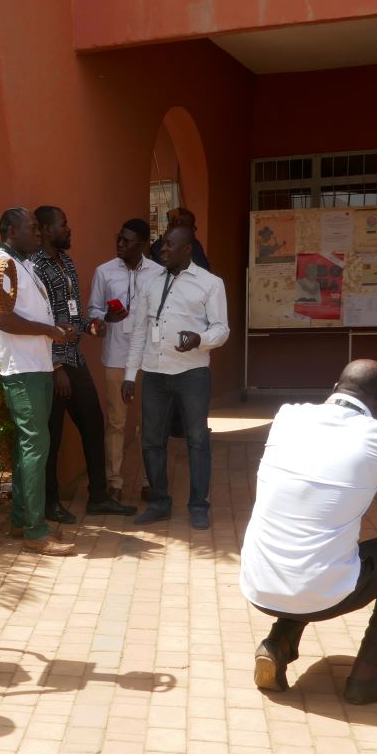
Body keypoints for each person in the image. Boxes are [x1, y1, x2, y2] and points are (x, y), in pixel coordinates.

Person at [241, 360, 377, 705]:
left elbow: (340, 445)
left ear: (335, 387)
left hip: (259, 584)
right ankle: (369, 676)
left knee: (311, 539)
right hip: (321, 591)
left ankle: (278, 644)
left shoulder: (288, 417)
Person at [31, 207, 137, 521]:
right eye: (64, 224)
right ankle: (50, 504)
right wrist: (57, 368)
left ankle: (99, 497)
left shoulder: (67, 262)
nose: (69, 229)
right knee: (52, 436)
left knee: (93, 425)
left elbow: (73, 315)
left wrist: (94, 324)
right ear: (48, 230)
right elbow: (41, 320)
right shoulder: (35, 267)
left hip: (75, 359)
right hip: (53, 366)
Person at [122, 223, 229, 529]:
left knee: (197, 441)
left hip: (192, 373)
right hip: (155, 373)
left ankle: (198, 505)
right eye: (161, 245)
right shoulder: (152, 282)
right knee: (152, 442)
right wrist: (131, 374)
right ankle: (159, 503)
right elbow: (141, 329)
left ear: (187, 249)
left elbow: (222, 329)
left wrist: (200, 339)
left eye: (169, 245)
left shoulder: (210, 283)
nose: (162, 250)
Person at [0, 207, 76, 556]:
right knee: (35, 445)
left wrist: (54, 333)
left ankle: (21, 519)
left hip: (36, 365)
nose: (38, 234)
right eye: (32, 228)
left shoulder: (24, 264)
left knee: (29, 446)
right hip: (21, 369)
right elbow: (1, 318)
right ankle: (36, 532)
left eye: (40, 229)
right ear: (10, 230)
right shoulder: (0, 264)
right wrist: (50, 331)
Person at [90, 218, 164, 502]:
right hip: (116, 356)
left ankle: (150, 481)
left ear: (143, 244)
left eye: (127, 240)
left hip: (150, 358)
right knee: (116, 422)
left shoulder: (159, 273)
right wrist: (105, 318)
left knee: (151, 422)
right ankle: (115, 482)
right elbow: (93, 311)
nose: (120, 244)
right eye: (118, 238)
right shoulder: (104, 272)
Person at [148, 206, 211, 272]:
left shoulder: (194, 243)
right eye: (190, 225)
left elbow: (204, 269)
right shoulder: (158, 247)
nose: (195, 229)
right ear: (177, 227)